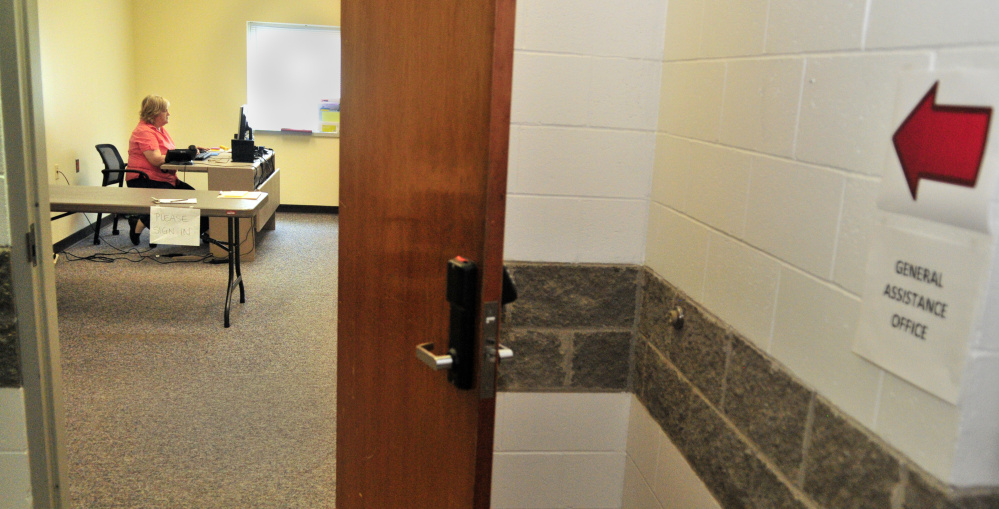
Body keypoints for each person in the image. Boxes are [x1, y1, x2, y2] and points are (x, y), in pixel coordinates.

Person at [125, 95, 208, 245]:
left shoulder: (160, 130)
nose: (169, 114)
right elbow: (156, 159)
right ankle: (140, 222)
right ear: (154, 113)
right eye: (165, 111)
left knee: (197, 199)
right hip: (144, 180)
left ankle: (205, 232)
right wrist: (185, 155)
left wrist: (190, 152)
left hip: (163, 178)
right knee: (178, 201)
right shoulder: (144, 131)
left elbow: (168, 153)